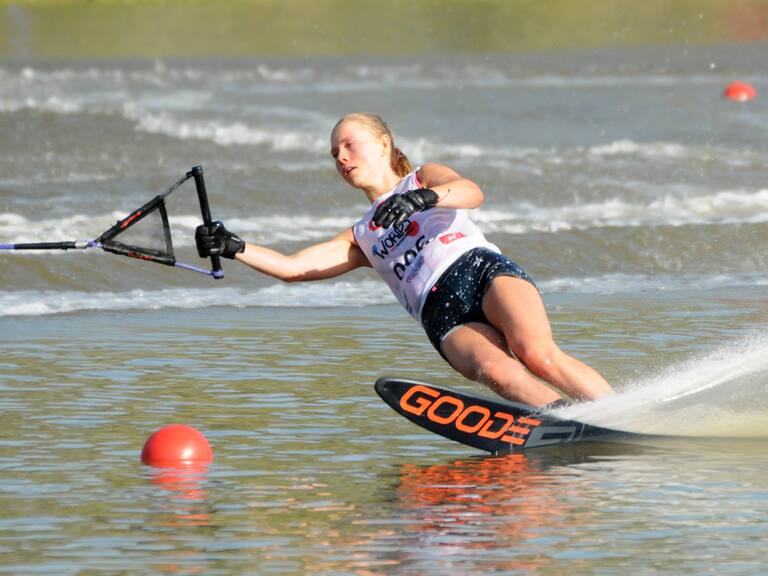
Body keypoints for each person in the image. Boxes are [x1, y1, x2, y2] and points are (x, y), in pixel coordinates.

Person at [195, 113, 614, 408]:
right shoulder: (362, 234)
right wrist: (235, 247)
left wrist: (425, 197)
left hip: (479, 270)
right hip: (441, 315)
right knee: (499, 373)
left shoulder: (424, 177)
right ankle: (570, 421)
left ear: (383, 144)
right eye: (333, 153)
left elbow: (472, 192)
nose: (340, 157)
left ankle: (618, 409)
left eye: (348, 145)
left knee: (536, 353)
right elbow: (294, 267)